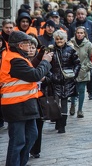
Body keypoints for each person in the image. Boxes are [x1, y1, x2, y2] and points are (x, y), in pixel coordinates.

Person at [0, 31, 53, 166]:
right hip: (16, 105)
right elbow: (35, 75)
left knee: (31, 136)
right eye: (27, 44)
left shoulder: (19, 58)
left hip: (25, 103)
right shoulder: (15, 60)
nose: (29, 46)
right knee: (18, 141)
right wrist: (45, 61)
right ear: (20, 45)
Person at [49, 30, 81, 133]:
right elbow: (46, 65)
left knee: (64, 102)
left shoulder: (70, 50)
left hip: (67, 80)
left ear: (65, 39)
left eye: (61, 39)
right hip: (55, 80)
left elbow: (77, 63)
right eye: (57, 39)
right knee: (55, 103)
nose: (59, 41)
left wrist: (73, 74)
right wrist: (51, 76)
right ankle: (58, 121)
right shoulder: (51, 50)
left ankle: (62, 125)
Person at [68, 26, 92, 118]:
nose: (79, 34)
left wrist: (86, 67)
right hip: (72, 70)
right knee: (73, 90)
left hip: (83, 70)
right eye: (78, 33)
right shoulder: (70, 43)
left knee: (82, 90)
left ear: (84, 34)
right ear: (75, 33)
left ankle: (80, 110)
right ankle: (72, 105)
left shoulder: (88, 44)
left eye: (81, 33)